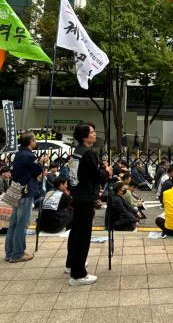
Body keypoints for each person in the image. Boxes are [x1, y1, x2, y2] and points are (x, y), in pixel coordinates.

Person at [65, 122, 100, 285]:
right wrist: (106, 172)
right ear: (85, 136)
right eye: (91, 132)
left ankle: (71, 264)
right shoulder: (88, 154)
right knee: (83, 235)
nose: (94, 134)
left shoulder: (77, 152)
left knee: (76, 231)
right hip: (85, 197)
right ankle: (78, 274)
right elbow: (96, 177)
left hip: (76, 195)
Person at [5, 131, 43, 263]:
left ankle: (9, 252)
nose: (35, 142)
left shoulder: (19, 154)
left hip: (16, 188)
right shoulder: (29, 156)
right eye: (34, 140)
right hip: (25, 191)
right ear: (31, 141)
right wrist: (40, 163)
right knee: (22, 223)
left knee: (13, 223)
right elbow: (37, 172)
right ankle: (17, 253)